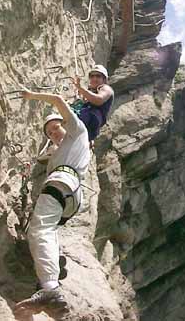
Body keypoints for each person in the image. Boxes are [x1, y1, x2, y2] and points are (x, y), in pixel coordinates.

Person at [15, 89, 90, 314]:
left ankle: (50, 288)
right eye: (49, 133)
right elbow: (39, 161)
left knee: (40, 230)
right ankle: (55, 264)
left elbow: (58, 100)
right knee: (50, 229)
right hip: (72, 195)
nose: (54, 133)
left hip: (62, 182)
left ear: (66, 123)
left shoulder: (77, 131)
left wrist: (31, 96)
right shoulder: (58, 154)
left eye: (56, 127)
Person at [71, 65, 114, 141]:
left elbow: (98, 100)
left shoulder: (105, 88)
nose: (94, 78)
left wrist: (80, 88)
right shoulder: (91, 91)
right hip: (86, 122)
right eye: (92, 76)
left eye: (98, 76)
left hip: (91, 120)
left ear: (104, 79)